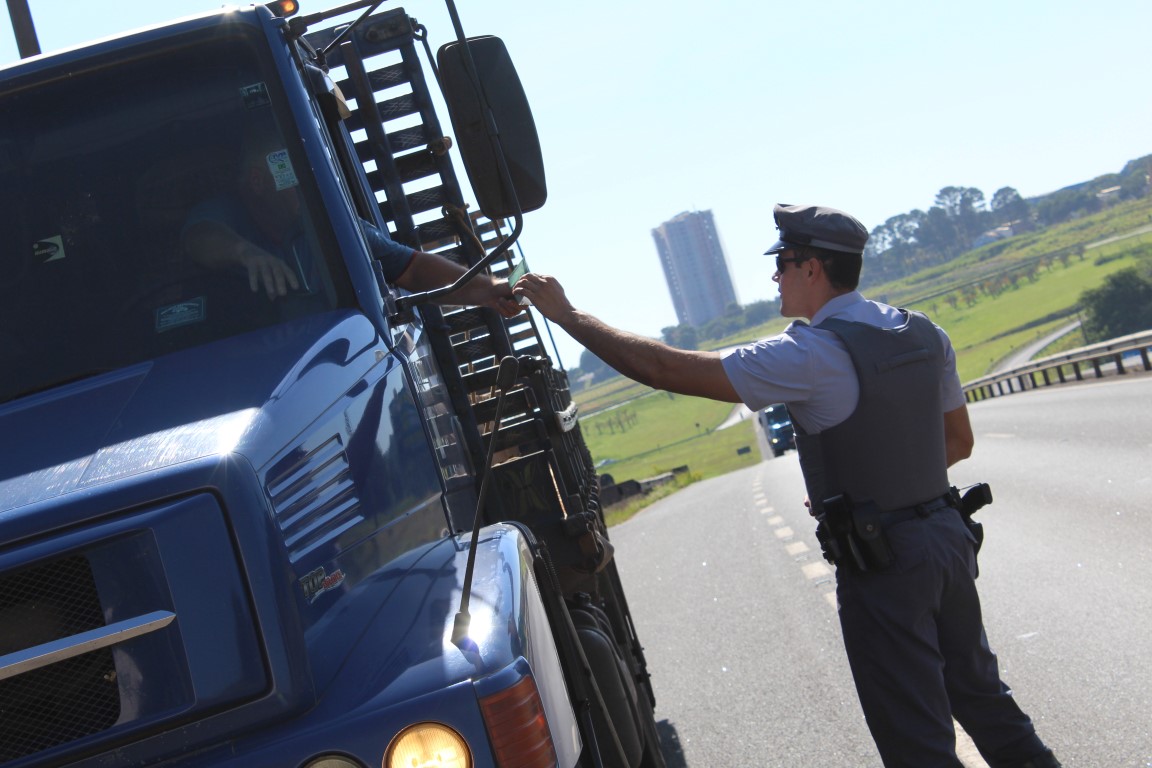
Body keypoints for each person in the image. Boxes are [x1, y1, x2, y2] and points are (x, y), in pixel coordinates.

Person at [513, 203, 1060, 768]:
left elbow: (667, 370)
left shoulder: (810, 354)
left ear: (812, 269)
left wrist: (569, 316)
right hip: (947, 538)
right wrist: (873, 481)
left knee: (917, 740)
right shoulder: (923, 331)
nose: (774, 275)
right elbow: (956, 443)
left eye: (783, 262)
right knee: (986, 703)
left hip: (886, 563)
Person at [182, 136, 521, 316]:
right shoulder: (227, 213)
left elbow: (413, 270)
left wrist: (491, 290)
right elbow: (201, 237)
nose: (307, 185)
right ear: (258, 180)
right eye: (292, 174)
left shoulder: (328, 223)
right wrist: (244, 253)